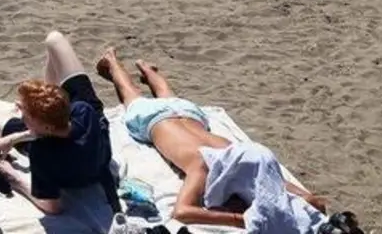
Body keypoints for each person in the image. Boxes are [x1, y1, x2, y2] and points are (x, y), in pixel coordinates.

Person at [96, 49, 328, 228]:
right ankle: (118, 63)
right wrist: (238, 218)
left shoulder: (239, 157)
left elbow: (292, 190)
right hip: (163, 118)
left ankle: (142, 69)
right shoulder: (203, 165)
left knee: (161, 97)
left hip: (182, 114)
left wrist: (308, 199)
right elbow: (182, 211)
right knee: (133, 95)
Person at [0, 31, 117, 216]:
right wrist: (14, 138)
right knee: (54, 39)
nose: (17, 106)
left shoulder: (43, 153)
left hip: (74, 168)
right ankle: (44, 99)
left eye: (25, 113)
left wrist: (14, 178)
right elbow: (59, 129)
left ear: (44, 127)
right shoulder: (83, 112)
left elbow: (52, 207)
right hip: (96, 157)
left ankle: (42, 102)